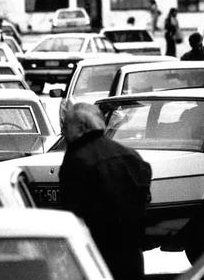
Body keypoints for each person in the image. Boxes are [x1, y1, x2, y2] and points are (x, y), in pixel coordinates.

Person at [59, 103, 152, 280]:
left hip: (95, 256)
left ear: (81, 126)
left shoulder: (77, 160)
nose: (64, 131)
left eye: (66, 126)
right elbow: (143, 204)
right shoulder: (131, 155)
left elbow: (72, 215)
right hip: (132, 256)